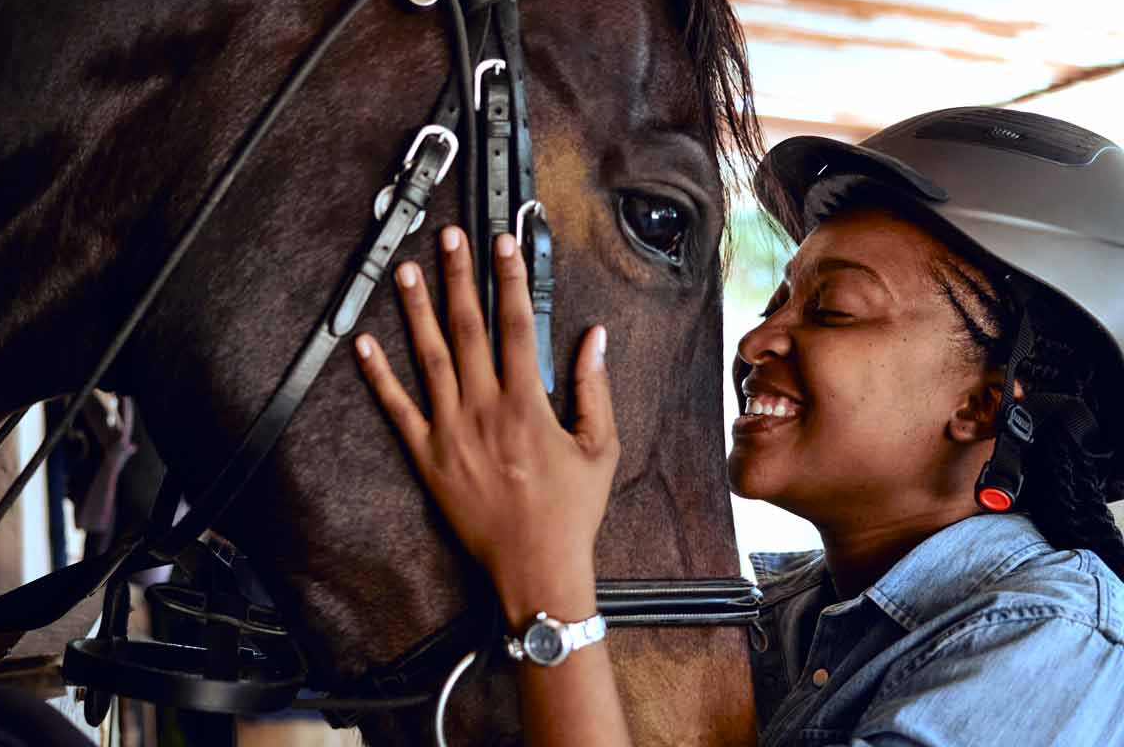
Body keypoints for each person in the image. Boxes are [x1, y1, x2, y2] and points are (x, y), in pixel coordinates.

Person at [353, 106, 1124, 746]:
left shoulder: (1051, 642)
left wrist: (547, 584)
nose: (756, 342)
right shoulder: (777, 616)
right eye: (774, 304)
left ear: (982, 407)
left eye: (832, 310)